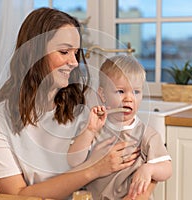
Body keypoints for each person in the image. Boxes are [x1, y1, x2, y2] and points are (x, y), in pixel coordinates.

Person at [0, 8, 144, 200]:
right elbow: (16, 195)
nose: (74, 62)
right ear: (34, 53)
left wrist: (142, 190)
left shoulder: (89, 100)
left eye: (75, 53)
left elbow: (141, 155)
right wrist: (93, 170)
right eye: (65, 52)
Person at [68, 55, 172, 200]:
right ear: (103, 94)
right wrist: (90, 131)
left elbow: (167, 168)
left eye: (136, 92)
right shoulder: (94, 128)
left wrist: (149, 169)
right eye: (121, 91)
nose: (129, 98)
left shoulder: (147, 134)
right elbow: (73, 161)